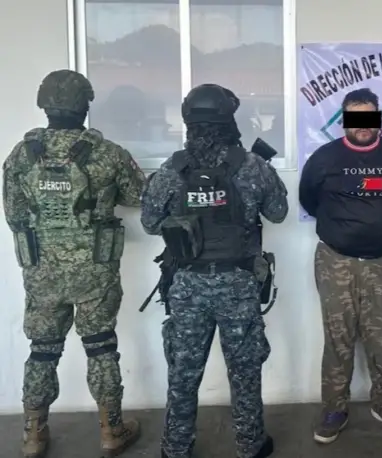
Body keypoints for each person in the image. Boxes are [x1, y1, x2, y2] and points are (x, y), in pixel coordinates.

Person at [2, 69, 145, 458]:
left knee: (43, 349)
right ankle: (111, 431)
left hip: (41, 271)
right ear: (85, 105)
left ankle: (33, 435)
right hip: (95, 270)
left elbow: (14, 215)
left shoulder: (22, 154)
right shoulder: (107, 152)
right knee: (100, 345)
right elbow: (139, 197)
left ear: (43, 104)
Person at [140, 83, 288, 458]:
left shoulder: (173, 170)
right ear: (229, 120)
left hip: (188, 285)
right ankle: (250, 444)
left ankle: (176, 448)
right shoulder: (252, 166)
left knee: (183, 372)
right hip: (238, 284)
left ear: (189, 123)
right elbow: (278, 212)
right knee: (244, 370)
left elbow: (150, 223)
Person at [299, 88, 382, 444]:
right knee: (338, 338)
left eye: (369, 117)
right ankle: (335, 408)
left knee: (380, 338)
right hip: (335, 261)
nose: (363, 125)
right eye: (356, 117)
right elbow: (309, 199)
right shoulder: (324, 158)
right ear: (344, 120)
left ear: (379, 118)